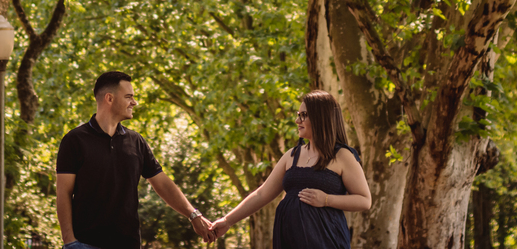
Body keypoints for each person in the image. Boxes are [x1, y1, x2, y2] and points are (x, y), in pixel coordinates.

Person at [56, 71, 214, 249]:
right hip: (85, 244)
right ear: (110, 98)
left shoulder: (136, 141)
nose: (134, 102)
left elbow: (162, 183)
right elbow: (64, 192)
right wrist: (70, 241)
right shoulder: (75, 140)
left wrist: (193, 215)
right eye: (129, 96)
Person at [210, 90, 371, 248]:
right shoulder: (291, 156)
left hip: (327, 239)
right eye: (298, 114)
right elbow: (261, 194)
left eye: (303, 115)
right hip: (288, 239)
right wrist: (227, 221)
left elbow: (364, 200)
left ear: (321, 118)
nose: (297, 120)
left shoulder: (342, 155)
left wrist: (327, 199)